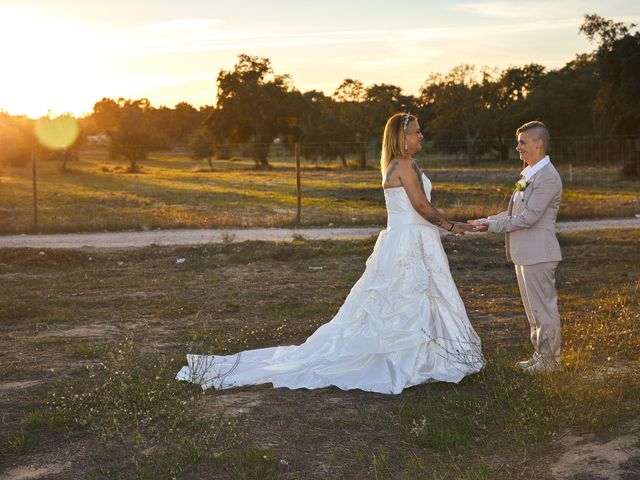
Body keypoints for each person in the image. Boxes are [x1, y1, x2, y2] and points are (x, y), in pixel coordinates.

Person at [176, 113, 484, 394]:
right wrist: (452, 225)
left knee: (410, 299)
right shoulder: (402, 165)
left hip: (411, 239)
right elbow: (419, 205)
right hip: (409, 242)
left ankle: (421, 356)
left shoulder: (398, 164)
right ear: (402, 137)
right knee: (408, 298)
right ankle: (410, 359)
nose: (421, 137)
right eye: (417, 132)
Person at [469, 121, 562, 372]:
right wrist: (486, 221)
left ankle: (551, 361)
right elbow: (513, 212)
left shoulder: (548, 177)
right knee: (533, 311)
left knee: (544, 309)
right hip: (525, 254)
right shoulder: (529, 174)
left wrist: (493, 227)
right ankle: (540, 354)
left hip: (539, 253)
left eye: (522, 142)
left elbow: (529, 217)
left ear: (538, 143)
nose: (517, 147)